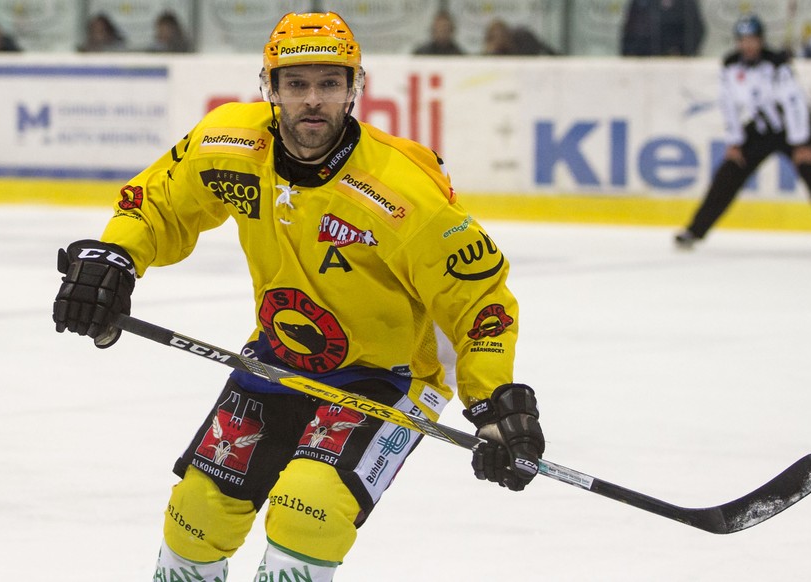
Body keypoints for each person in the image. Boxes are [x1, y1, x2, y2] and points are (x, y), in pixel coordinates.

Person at [52, 11, 544, 582]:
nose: (313, 100)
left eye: (329, 84)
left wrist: (492, 401)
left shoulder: (404, 189)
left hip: (387, 377)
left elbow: (477, 298)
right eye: (297, 84)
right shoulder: (228, 142)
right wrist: (116, 257)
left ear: (354, 89)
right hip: (278, 355)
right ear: (271, 88)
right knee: (196, 517)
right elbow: (158, 206)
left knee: (308, 510)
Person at [675, 14, 811, 250]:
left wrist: (803, 142)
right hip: (760, 129)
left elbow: (795, 103)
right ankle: (694, 231)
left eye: (753, 40)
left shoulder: (777, 64)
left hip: (792, 127)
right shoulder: (731, 66)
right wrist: (735, 141)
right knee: (729, 173)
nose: (748, 45)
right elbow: (728, 105)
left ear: (761, 41)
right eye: (743, 40)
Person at [620, 0, 704, 56]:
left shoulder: (686, 4)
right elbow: (631, 30)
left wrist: (682, 52)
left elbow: (696, 30)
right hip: (644, 59)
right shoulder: (640, 3)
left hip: (678, 61)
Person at [483, 18, 557, 56]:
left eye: (501, 35)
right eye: (495, 36)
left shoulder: (523, 40)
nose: (500, 38)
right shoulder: (492, 50)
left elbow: (544, 48)